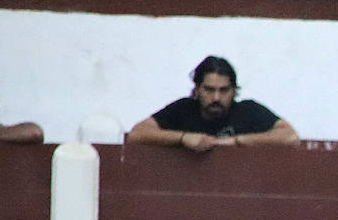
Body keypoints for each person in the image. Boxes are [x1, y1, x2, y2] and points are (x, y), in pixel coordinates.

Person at [126, 56, 299, 151]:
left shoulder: (248, 111)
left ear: (234, 91)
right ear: (197, 90)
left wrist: (237, 141)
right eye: (209, 90)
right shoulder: (183, 109)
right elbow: (138, 133)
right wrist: (183, 138)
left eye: (224, 90)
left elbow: (290, 137)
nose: (216, 97)